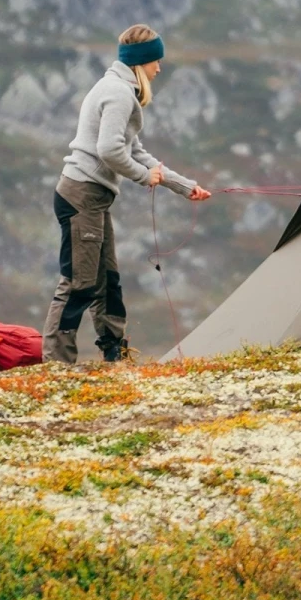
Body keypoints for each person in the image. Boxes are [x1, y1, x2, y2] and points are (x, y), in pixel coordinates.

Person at [43, 25, 211, 363]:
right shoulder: (119, 93)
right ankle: (56, 364)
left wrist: (183, 186)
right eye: (156, 61)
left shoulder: (117, 88)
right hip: (82, 196)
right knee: (78, 283)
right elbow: (109, 150)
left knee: (107, 282)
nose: (159, 68)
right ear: (141, 62)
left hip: (92, 197)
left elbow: (134, 150)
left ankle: (115, 356)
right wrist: (143, 177)